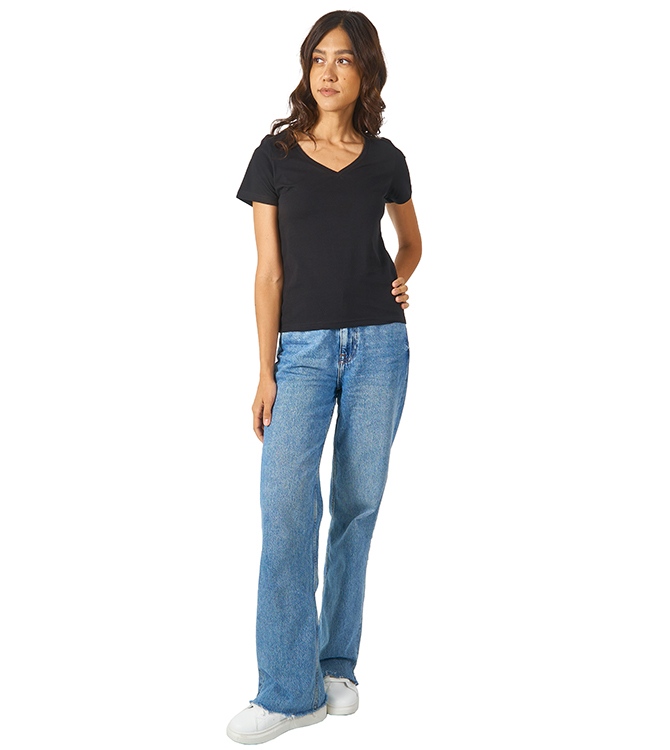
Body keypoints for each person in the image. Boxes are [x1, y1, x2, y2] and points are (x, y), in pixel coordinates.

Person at [226, 10, 422, 745]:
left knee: (357, 506)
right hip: (301, 354)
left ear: (365, 71)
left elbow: (411, 241)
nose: (329, 71)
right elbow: (268, 272)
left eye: (344, 58)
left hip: (380, 347)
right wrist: (265, 369)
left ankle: (337, 666)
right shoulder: (274, 155)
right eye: (318, 58)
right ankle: (288, 691)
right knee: (286, 512)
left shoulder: (386, 159)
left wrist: (401, 279)